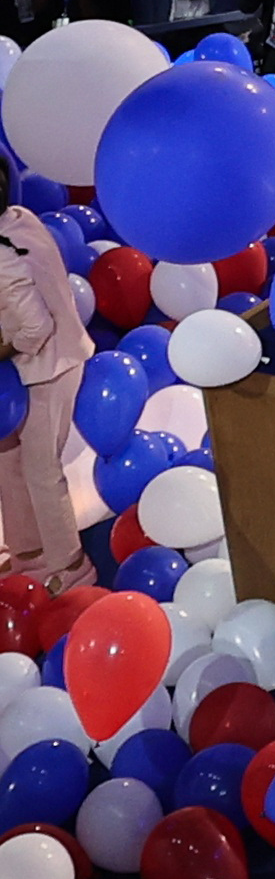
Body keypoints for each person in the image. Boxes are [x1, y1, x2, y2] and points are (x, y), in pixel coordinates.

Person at [0, 204, 93, 592]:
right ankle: (28, 552)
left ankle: (70, 564)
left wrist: (4, 348)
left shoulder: (4, 251)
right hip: (26, 369)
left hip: (50, 364)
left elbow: (36, 326)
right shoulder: (18, 216)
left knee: (40, 466)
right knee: (9, 459)